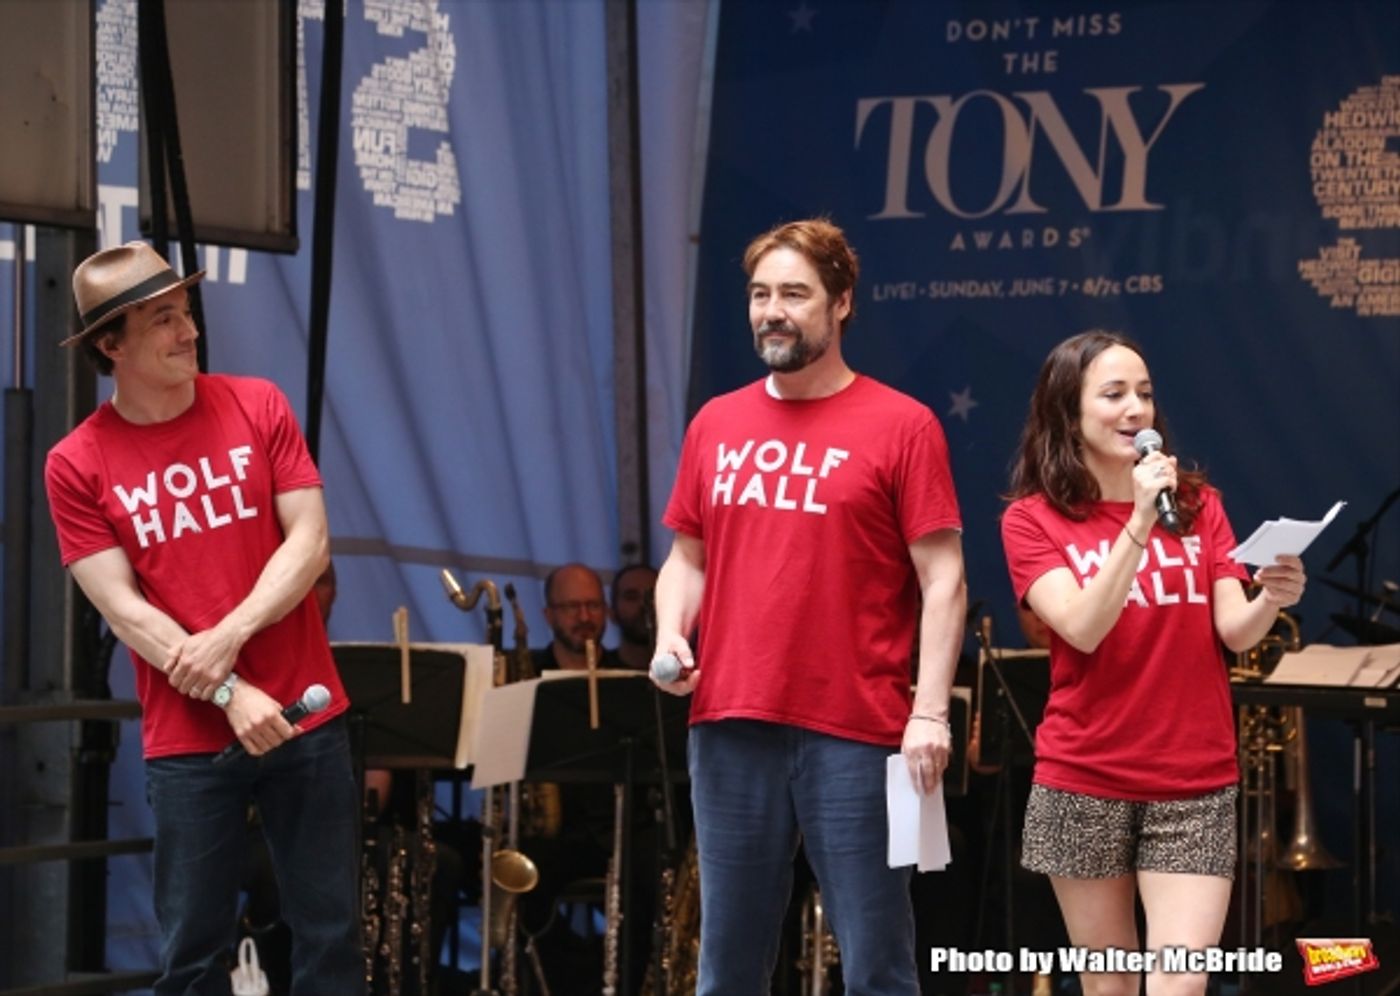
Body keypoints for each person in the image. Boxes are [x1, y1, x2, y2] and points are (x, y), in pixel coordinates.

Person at [651, 217, 967, 995]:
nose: (772, 311)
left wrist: (928, 712)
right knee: (726, 965)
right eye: (760, 294)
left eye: (795, 293)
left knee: (877, 963)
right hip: (730, 722)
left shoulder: (903, 425)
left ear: (841, 303)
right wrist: (669, 632)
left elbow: (945, 579)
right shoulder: (716, 423)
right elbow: (685, 557)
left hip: (859, 731)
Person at [43, 242, 363, 995]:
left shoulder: (259, 403)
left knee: (331, 940)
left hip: (308, 720)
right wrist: (229, 692)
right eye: (162, 319)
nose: (188, 331)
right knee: (192, 953)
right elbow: (124, 612)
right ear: (109, 345)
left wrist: (229, 638)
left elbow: (310, 543)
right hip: (189, 742)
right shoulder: (76, 462)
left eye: (185, 312)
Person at [1000, 330, 1305, 996]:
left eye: (1144, 392)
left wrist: (1269, 600)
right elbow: (1080, 627)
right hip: (1083, 777)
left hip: (1192, 779)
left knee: (1181, 985)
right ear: (1067, 413)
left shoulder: (1199, 505)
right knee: (1110, 987)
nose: (1136, 409)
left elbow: (1232, 630)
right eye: (1113, 394)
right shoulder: (1032, 521)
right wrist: (1138, 523)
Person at [530, 563, 624, 672]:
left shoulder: (630, 680)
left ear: (606, 610)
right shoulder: (525, 676)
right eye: (572, 607)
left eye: (593, 606)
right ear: (549, 615)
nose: (585, 617)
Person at [609, 563, 658, 669]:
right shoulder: (598, 674)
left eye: (651, 596)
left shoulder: (685, 669)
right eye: (631, 597)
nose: (643, 605)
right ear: (612, 611)